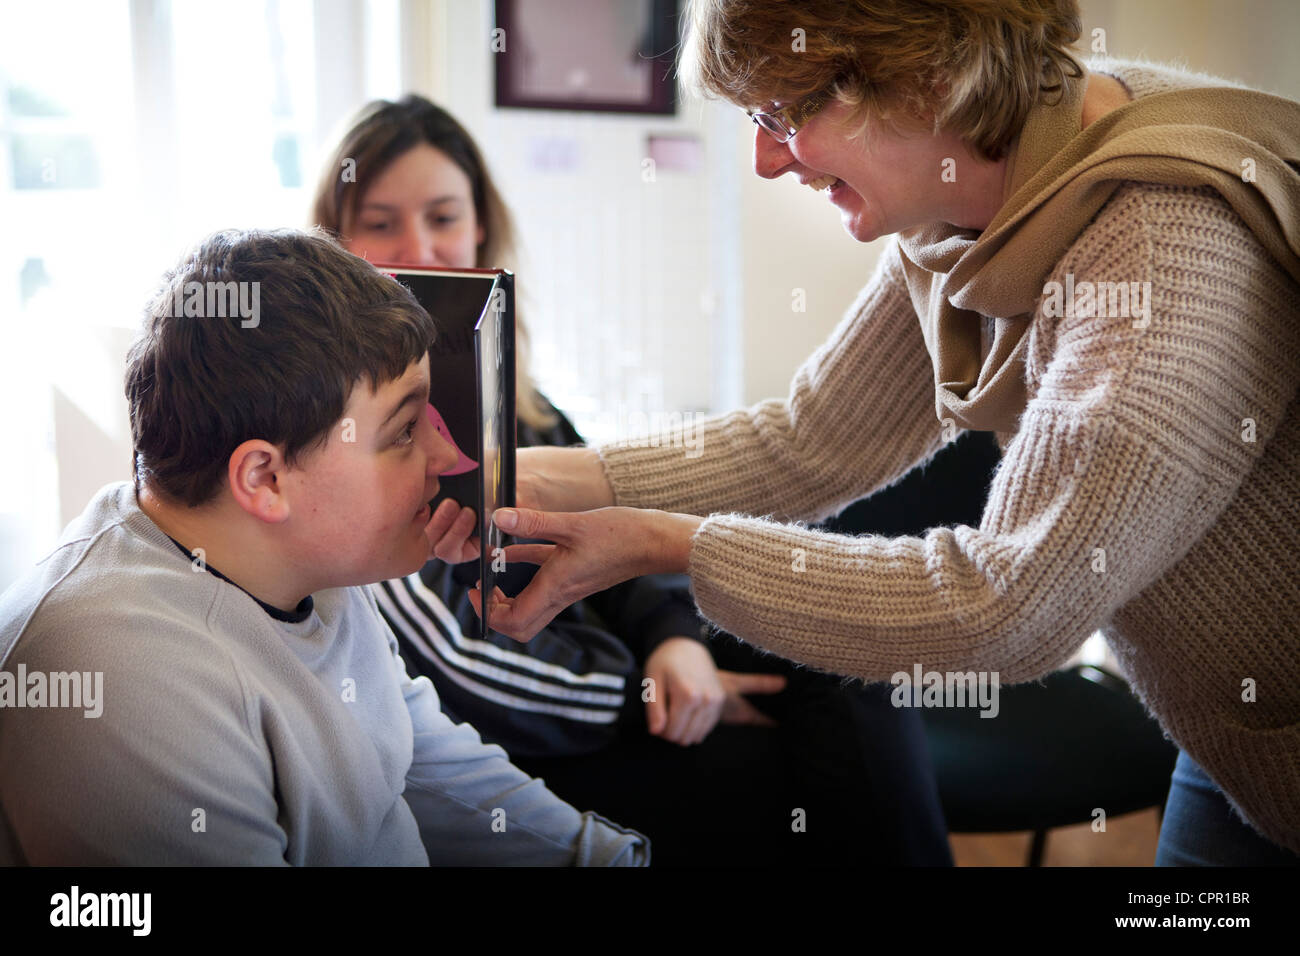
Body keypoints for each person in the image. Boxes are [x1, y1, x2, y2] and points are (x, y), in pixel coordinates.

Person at [470, 0, 1300, 865]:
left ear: (928, 76)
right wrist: (536, 476)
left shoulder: (1159, 246)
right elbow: (807, 442)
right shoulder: (976, 193)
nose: (763, 160)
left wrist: (664, 543)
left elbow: (1005, 609)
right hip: (1231, 742)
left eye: (785, 114)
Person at [310, 95, 955, 865]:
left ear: (480, 227)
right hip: (539, 739)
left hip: (609, 676)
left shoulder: (519, 404)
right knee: (785, 779)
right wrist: (643, 690)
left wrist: (672, 643)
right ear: (336, 244)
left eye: (443, 218)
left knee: (846, 663)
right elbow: (464, 671)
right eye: (380, 223)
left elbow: (608, 543)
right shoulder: (346, 440)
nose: (420, 246)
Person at [0, 227, 647, 866]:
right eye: (401, 433)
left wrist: (610, 859)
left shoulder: (305, 562)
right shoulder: (119, 686)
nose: (447, 456)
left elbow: (423, 765)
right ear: (265, 478)